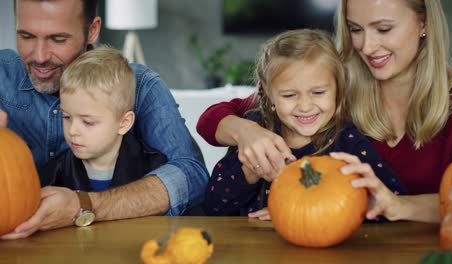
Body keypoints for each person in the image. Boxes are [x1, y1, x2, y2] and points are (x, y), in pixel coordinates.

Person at [197, 0, 452, 222]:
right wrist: (246, 131)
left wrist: (400, 206)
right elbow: (212, 119)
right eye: (355, 29)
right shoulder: (330, 88)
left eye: (383, 29)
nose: (366, 46)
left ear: (424, 23)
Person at [0, 0, 208, 239]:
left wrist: (86, 205)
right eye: (26, 36)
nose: (39, 56)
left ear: (92, 30)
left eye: (58, 39)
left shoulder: (139, 86)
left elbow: (191, 175)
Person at [202, 29, 407, 219]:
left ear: (338, 87)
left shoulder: (348, 142)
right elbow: (213, 206)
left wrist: (300, 213)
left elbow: (389, 204)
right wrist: (249, 172)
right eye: (289, 95)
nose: (305, 106)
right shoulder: (255, 129)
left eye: (318, 92)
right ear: (268, 91)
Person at [40, 47, 167, 193]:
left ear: (124, 123)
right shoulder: (54, 172)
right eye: (66, 117)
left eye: (88, 122)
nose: (72, 130)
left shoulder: (155, 169)